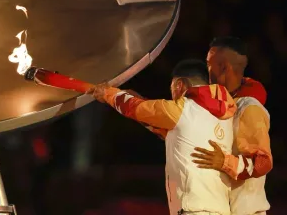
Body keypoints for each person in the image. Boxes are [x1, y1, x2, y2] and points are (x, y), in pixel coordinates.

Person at [89, 59, 236, 215]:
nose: (173, 97)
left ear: (180, 85)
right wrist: (127, 95)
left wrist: (107, 94)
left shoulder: (184, 109)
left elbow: (136, 108)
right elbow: (158, 123)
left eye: (172, 89)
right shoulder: (226, 118)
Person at [191, 36, 272, 215]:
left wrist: (224, 162)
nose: (207, 70)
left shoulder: (249, 107)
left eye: (208, 64)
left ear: (224, 67)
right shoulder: (215, 106)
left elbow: (263, 162)